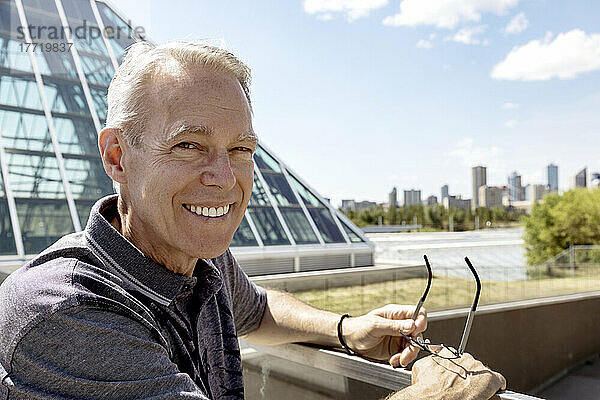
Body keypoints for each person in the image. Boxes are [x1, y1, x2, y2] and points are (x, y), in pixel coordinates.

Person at [0, 41, 505, 400]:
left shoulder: (201, 255)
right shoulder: (63, 314)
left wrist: (349, 328)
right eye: (189, 145)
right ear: (116, 157)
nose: (223, 176)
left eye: (241, 149)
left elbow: (256, 312)